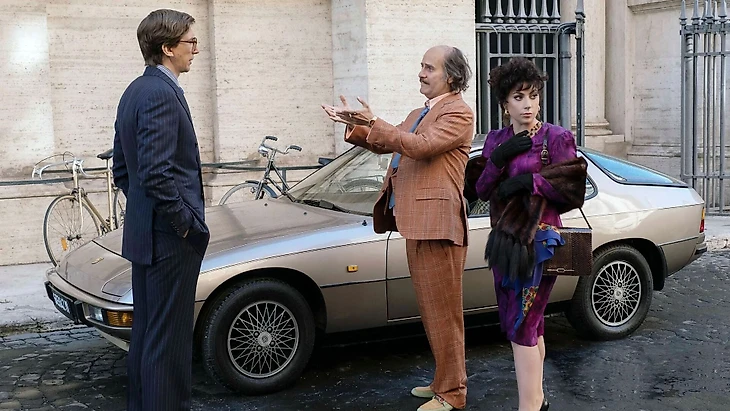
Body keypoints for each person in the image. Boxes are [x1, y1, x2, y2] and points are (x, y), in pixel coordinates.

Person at [322, 45, 474, 411]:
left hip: (438, 225)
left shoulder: (458, 112)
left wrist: (375, 121)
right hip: (416, 222)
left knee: (445, 313)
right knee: (432, 310)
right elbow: (388, 142)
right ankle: (442, 381)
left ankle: (453, 393)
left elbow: (419, 147)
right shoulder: (419, 112)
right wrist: (354, 124)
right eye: (421, 66)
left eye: (429, 68)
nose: (421, 73)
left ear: (451, 76)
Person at [475, 57, 587, 411]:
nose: (528, 105)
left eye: (533, 96)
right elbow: (481, 190)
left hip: (540, 243)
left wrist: (530, 181)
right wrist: (499, 159)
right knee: (524, 325)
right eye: (519, 97)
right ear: (504, 104)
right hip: (505, 244)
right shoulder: (496, 140)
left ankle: (530, 405)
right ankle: (538, 400)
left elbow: (573, 190)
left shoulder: (555, 138)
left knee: (523, 323)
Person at [112, 9, 209, 411]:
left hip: (147, 235)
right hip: (168, 241)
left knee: (149, 338)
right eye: (191, 42)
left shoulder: (135, 90)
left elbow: (122, 170)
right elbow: (154, 173)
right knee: (167, 346)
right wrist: (184, 224)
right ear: (168, 48)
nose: (196, 50)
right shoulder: (160, 93)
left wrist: (147, 213)